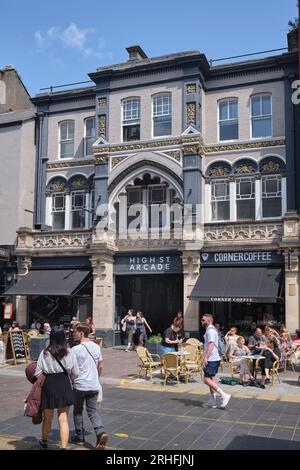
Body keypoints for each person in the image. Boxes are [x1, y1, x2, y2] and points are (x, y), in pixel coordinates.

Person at [34, 327, 79, 450]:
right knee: (63, 418)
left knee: (47, 417)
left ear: (51, 337)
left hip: (49, 384)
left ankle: (44, 441)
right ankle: (63, 447)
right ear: (64, 337)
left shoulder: (44, 352)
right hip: (64, 383)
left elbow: (37, 373)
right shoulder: (69, 352)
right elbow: (75, 373)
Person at [71, 324, 108, 450]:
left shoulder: (75, 349)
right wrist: (95, 378)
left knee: (77, 410)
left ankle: (80, 437)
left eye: (75, 331)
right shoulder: (96, 347)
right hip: (93, 385)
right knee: (92, 411)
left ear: (81, 333)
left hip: (80, 385)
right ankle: (100, 432)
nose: (73, 334)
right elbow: (100, 366)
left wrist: (72, 380)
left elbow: (72, 369)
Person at [201, 314, 231, 409]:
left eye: (203, 320)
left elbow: (211, 344)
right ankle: (212, 399)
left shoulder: (210, 331)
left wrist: (206, 358)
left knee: (206, 380)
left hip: (212, 359)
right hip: (213, 358)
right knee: (211, 380)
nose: (201, 321)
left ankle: (223, 395)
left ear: (209, 321)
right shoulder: (211, 330)